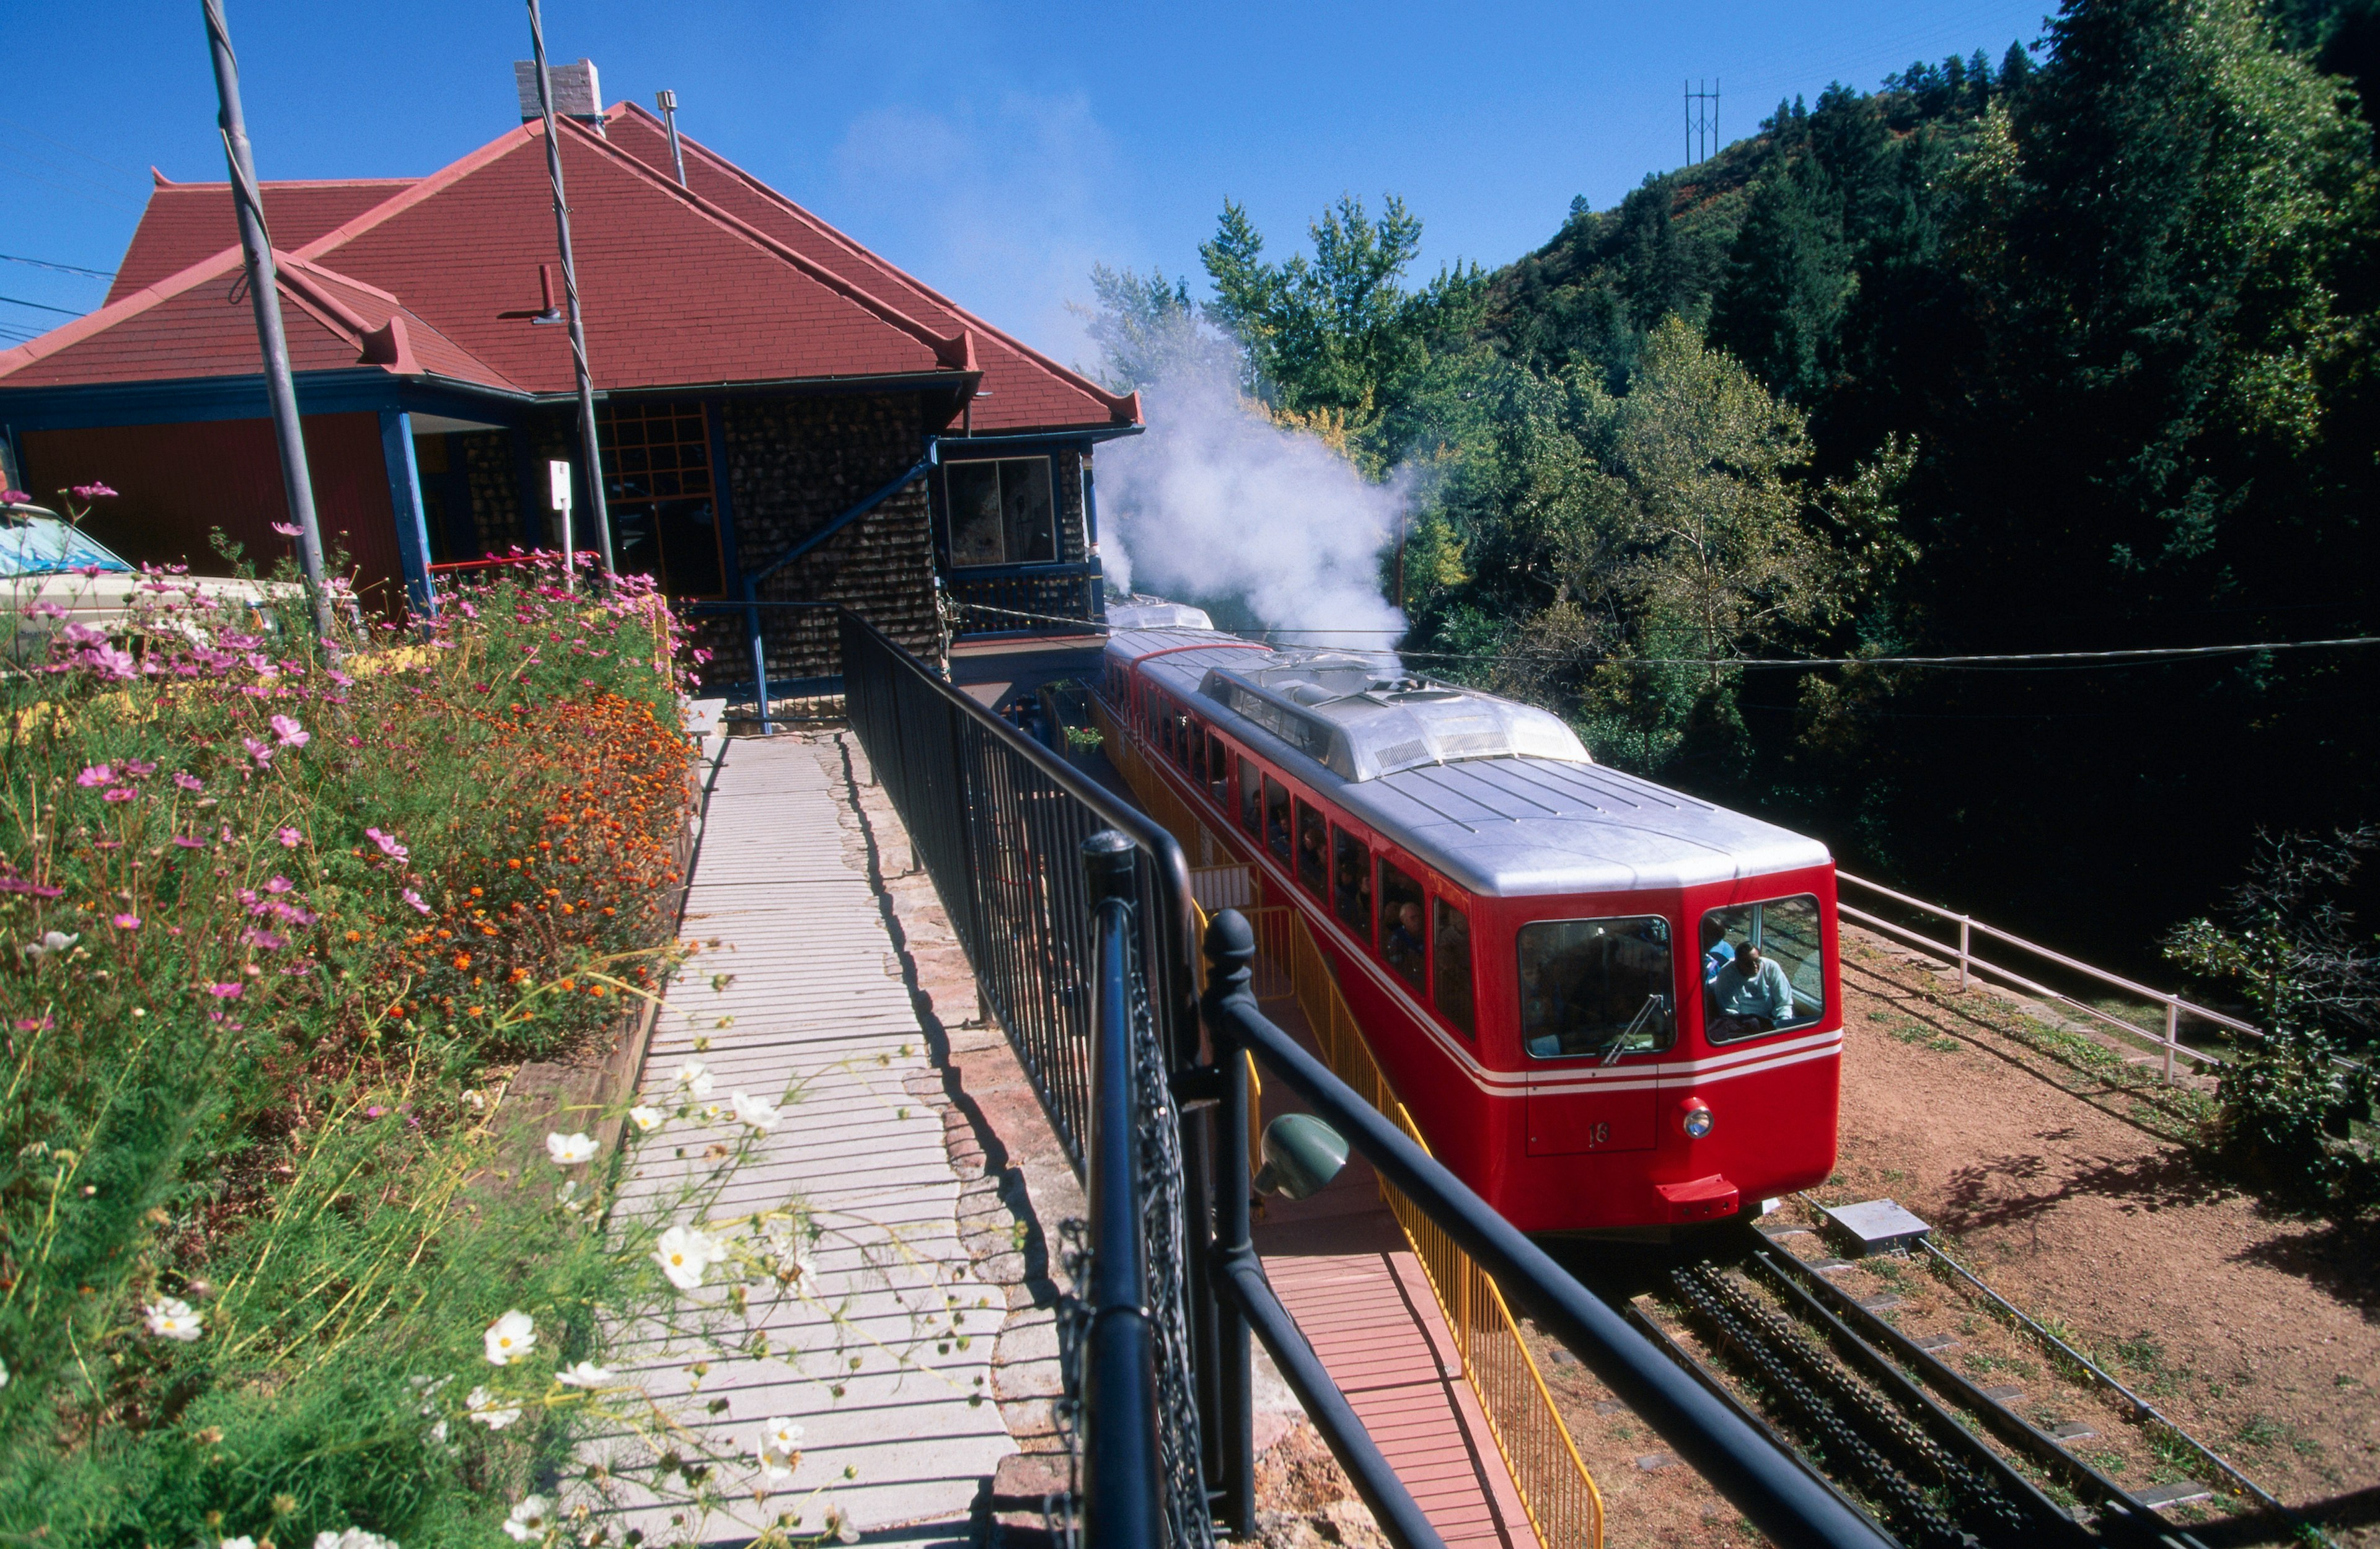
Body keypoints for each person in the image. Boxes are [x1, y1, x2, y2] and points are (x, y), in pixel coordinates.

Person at [1708, 941, 1794, 1039]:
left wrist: (1783, 1023)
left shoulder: (1771, 967)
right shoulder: (1726, 975)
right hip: (1744, 1025)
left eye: (1757, 961)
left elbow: (1784, 1002)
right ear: (1738, 963)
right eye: (1749, 964)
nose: (1755, 967)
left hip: (1773, 1021)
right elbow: (1730, 1011)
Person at [1383, 901, 1425, 985]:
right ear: (1403, 920)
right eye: (1413, 918)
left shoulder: (1427, 934)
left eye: (1419, 916)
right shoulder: (1396, 940)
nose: (1417, 921)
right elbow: (1398, 970)